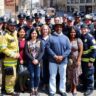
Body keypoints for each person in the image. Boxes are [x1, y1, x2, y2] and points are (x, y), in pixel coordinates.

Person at [47, 23, 71, 96]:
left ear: (62, 28)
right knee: (52, 76)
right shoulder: (50, 37)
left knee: (63, 76)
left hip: (63, 61)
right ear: (55, 28)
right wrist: (55, 56)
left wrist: (62, 56)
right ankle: (52, 91)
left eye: (60, 27)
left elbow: (69, 49)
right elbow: (48, 48)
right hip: (52, 60)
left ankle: (62, 90)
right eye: (57, 27)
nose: (59, 28)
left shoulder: (66, 38)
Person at [0, 18, 19, 95]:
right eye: (11, 25)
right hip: (8, 60)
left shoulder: (14, 33)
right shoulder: (5, 35)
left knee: (13, 76)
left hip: (14, 61)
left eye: (14, 25)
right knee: (10, 77)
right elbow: (3, 49)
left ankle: (10, 89)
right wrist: (14, 55)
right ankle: (9, 91)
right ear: (7, 25)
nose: (13, 27)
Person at [25, 29, 44, 96]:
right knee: (32, 76)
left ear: (37, 34)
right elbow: (26, 52)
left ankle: (36, 89)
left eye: (35, 33)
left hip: (38, 62)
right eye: (32, 33)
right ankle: (32, 90)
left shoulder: (40, 42)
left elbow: (42, 52)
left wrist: (37, 60)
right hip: (30, 62)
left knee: (38, 76)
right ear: (30, 34)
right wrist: (33, 59)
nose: (34, 34)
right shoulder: (27, 42)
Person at [80, 24, 96, 96]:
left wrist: (91, 61)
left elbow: (94, 50)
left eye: (85, 29)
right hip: (83, 61)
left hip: (88, 61)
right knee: (84, 75)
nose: (84, 30)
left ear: (88, 29)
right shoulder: (82, 37)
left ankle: (90, 89)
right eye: (82, 29)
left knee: (89, 75)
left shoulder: (90, 38)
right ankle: (85, 86)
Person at [67, 27, 83, 96]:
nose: (72, 33)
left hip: (76, 59)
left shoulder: (78, 40)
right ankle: (71, 87)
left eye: (74, 32)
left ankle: (75, 88)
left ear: (76, 32)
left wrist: (79, 59)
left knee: (75, 74)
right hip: (69, 60)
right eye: (71, 32)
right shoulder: (68, 40)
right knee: (70, 74)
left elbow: (81, 50)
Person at [17, 27, 28, 92]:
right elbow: (16, 51)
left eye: (23, 32)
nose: (22, 33)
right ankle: (21, 87)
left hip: (26, 59)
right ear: (18, 32)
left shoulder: (26, 40)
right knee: (21, 73)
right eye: (21, 32)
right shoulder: (17, 40)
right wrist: (20, 59)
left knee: (26, 73)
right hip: (19, 59)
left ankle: (24, 84)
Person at [40, 25, 50, 91]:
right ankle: (44, 83)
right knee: (43, 71)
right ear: (42, 30)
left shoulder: (51, 37)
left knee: (49, 71)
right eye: (44, 29)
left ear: (48, 30)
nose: (45, 31)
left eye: (46, 29)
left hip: (50, 58)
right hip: (42, 58)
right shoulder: (39, 38)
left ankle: (48, 84)